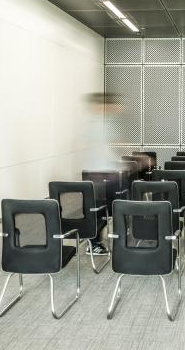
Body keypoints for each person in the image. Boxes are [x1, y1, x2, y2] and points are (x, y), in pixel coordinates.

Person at [78, 92, 122, 256]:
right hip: (98, 175)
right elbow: (110, 145)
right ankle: (94, 243)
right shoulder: (98, 125)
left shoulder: (101, 123)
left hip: (103, 174)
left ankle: (94, 240)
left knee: (104, 210)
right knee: (101, 210)